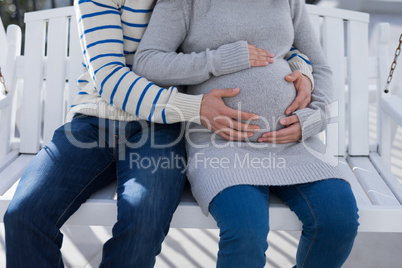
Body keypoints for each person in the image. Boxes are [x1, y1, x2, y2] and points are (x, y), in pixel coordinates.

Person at [3, 1, 314, 268]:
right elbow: (109, 78)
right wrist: (194, 108)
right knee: (24, 216)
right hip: (94, 121)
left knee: (143, 218)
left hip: (161, 127)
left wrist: (303, 69)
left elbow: (272, 31)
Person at [133, 0, 359, 267]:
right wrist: (219, 60)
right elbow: (147, 62)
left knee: (339, 221)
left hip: (293, 144)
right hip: (221, 143)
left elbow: (320, 66)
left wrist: (315, 116)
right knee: (246, 231)